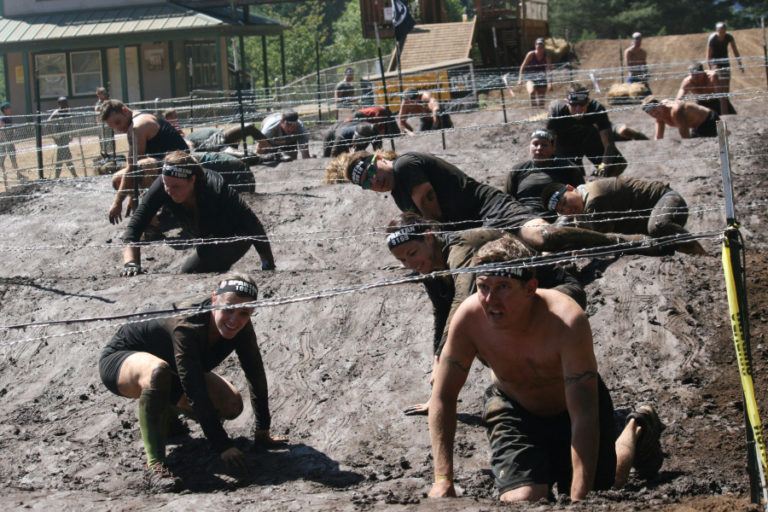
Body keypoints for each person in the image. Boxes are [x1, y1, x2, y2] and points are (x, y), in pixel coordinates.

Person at [426, 236, 664, 502]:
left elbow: (584, 412)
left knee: (602, 489)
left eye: (503, 287)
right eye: (483, 287)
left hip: (572, 411)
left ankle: (635, 426)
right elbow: (443, 396)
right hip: (514, 410)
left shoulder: (566, 320)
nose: (490, 299)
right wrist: (442, 480)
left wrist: (579, 499)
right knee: (523, 499)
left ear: (530, 288)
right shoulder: (469, 319)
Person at [98, 273, 286, 491]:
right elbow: (194, 388)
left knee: (231, 404)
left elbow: (255, 372)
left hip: (172, 371)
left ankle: (167, 417)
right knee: (158, 372)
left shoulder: (242, 325)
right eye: (228, 309)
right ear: (214, 299)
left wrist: (263, 430)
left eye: (244, 312)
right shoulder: (188, 324)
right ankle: (155, 467)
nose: (234, 319)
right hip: (121, 362)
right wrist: (222, 445)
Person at [386, 213, 586, 417]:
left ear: (429, 237)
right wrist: (438, 377)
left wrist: (440, 362)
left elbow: (462, 299)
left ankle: (555, 392)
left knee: (480, 321)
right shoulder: (429, 265)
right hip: (517, 305)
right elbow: (442, 312)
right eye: (402, 260)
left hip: (558, 293)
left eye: (412, 253)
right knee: (482, 326)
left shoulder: (460, 248)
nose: (409, 264)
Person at [344, 150, 652, 255]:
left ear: (380, 158)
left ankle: (620, 242)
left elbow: (429, 205)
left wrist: (441, 241)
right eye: (366, 183)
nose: (374, 181)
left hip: (490, 208)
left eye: (371, 171)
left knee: (542, 237)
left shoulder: (404, 165)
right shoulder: (397, 195)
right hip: (472, 228)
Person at [119, 151, 275, 275]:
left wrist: (267, 263)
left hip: (235, 234)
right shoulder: (165, 184)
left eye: (176, 187)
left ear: (192, 180)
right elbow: (135, 226)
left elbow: (252, 223)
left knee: (194, 270)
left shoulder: (216, 189)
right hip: (205, 235)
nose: (169, 191)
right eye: (166, 184)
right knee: (189, 271)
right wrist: (131, 263)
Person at [541, 178, 706, 255]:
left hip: (668, 201)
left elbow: (599, 238)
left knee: (657, 227)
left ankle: (699, 254)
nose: (567, 209)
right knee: (657, 243)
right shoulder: (582, 201)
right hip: (644, 216)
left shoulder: (594, 199)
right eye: (561, 209)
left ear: (570, 188)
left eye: (565, 201)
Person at [101, 99, 190, 223]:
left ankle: (151, 226)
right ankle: (165, 205)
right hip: (164, 166)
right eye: (113, 127)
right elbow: (133, 165)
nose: (118, 128)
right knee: (118, 180)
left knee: (142, 167)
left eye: (118, 122)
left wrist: (117, 202)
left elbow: (133, 167)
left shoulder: (138, 126)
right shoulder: (134, 122)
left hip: (181, 166)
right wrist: (132, 194)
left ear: (124, 110)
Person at [546, 84, 627, 177]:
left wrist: (603, 167)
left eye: (582, 105)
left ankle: (598, 180)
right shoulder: (557, 111)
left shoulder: (596, 109)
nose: (578, 109)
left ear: (588, 102)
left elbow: (608, 144)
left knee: (617, 164)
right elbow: (550, 143)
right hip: (565, 143)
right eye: (574, 105)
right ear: (567, 102)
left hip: (588, 138)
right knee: (573, 175)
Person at [505, 129, 584, 221]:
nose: (539, 148)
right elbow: (507, 200)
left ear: (553, 147)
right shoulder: (518, 170)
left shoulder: (567, 168)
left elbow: (580, 194)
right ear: (529, 146)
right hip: (524, 219)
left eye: (544, 145)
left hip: (559, 219)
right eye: (535, 144)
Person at [641, 95, 719, 139]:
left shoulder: (675, 111)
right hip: (697, 128)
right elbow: (658, 138)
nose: (654, 114)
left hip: (709, 120)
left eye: (655, 109)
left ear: (660, 104)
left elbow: (685, 137)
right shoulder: (659, 116)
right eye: (651, 113)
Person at [707, 22, 743, 116]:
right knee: (718, 85)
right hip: (715, 62)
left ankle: (726, 106)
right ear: (717, 31)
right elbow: (709, 54)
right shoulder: (713, 38)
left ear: (725, 31)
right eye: (720, 32)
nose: (722, 33)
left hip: (725, 61)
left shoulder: (729, 37)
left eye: (723, 31)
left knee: (726, 86)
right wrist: (710, 67)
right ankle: (720, 106)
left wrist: (739, 62)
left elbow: (734, 49)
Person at [516, 37, 552, 108]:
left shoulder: (546, 56)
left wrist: (550, 83)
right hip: (530, 77)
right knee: (532, 92)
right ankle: (534, 109)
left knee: (541, 103)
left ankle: (540, 112)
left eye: (541, 46)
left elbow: (549, 70)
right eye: (538, 45)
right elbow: (522, 67)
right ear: (535, 45)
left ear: (544, 47)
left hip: (542, 78)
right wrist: (520, 79)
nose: (539, 47)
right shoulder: (530, 55)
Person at [48, 97, 77, 178]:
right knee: (66, 158)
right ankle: (74, 174)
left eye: (66, 103)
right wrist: (53, 136)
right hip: (60, 138)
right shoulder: (57, 113)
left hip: (66, 138)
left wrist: (71, 134)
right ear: (60, 104)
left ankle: (57, 176)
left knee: (61, 158)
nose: (66, 104)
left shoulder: (68, 112)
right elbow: (48, 123)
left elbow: (70, 123)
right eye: (64, 103)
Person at [0, 101, 20, 182]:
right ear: (5, 109)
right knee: (2, 158)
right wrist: (6, 141)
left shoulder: (9, 118)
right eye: (9, 108)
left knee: (13, 157)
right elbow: (2, 131)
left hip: (10, 141)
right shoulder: (2, 118)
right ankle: (4, 174)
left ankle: (18, 174)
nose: (10, 109)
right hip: (4, 141)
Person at [95, 87, 116, 160]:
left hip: (109, 124)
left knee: (110, 140)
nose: (105, 94)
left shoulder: (108, 101)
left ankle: (111, 155)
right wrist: (103, 105)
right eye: (103, 93)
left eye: (105, 93)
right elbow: (97, 109)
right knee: (103, 141)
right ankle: (104, 155)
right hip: (101, 125)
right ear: (99, 95)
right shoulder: (99, 102)